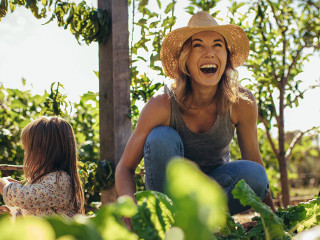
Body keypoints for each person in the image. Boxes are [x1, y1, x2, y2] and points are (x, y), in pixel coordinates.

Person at [115, 11, 276, 216]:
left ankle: (203, 221)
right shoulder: (161, 105)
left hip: (216, 192)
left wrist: (272, 218)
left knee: (256, 175)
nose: (209, 53)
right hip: (169, 198)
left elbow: (253, 158)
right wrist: (129, 207)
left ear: (226, 57)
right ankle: (170, 222)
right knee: (161, 137)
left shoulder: (241, 102)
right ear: (185, 59)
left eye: (217, 45)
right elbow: (124, 168)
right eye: (198, 45)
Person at [0, 116, 84, 217]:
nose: (25, 155)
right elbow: (32, 213)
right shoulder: (41, 181)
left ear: (42, 152)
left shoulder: (59, 180)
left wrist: (3, 184)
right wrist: (14, 213)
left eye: (27, 150)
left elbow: (21, 197)